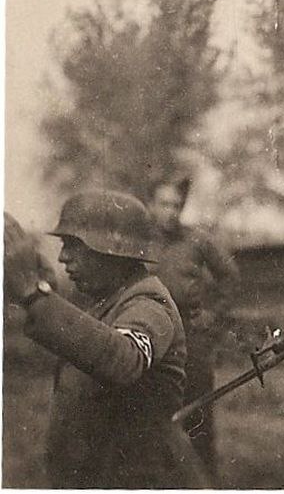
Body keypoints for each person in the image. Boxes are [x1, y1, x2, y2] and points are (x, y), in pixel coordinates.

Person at [3, 190, 207, 488]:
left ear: (114, 251)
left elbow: (123, 359)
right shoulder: (112, 300)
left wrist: (35, 296)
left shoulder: (150, 305)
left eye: (74, 245)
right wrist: (45, 294)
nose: (62, 257)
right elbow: (92, 343)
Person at [149, 175, 241, 478]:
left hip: (191, 339)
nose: (171, 212)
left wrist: (213, 316)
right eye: (164, 204)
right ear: (151, 205)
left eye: (177, 206)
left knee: (198, 415)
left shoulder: (196, 240)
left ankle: (204, 482)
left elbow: (229, 275)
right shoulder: (139, 241)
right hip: (150, 336)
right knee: (151, 416)